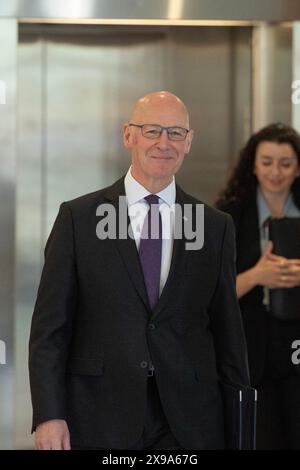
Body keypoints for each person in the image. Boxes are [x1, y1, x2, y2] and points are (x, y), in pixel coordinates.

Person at [29, 91, 249, 450]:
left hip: (190, 422)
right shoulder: (78, 219)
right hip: (99, 415)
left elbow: (229, 336)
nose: (165, 143)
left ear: (189, 142)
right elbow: (50, 331)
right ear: (128, 135)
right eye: (152, 131)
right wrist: (49, 414)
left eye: (176, 132)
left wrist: (239, 425)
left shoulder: (215, 226)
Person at [216, 122, 300, 449]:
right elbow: (212, 295)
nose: (275, 172)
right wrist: (256, 276)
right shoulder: (228, 217)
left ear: (298, 168)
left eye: (286, 163)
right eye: (266, 162)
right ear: (252, 165)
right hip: (250, 352)